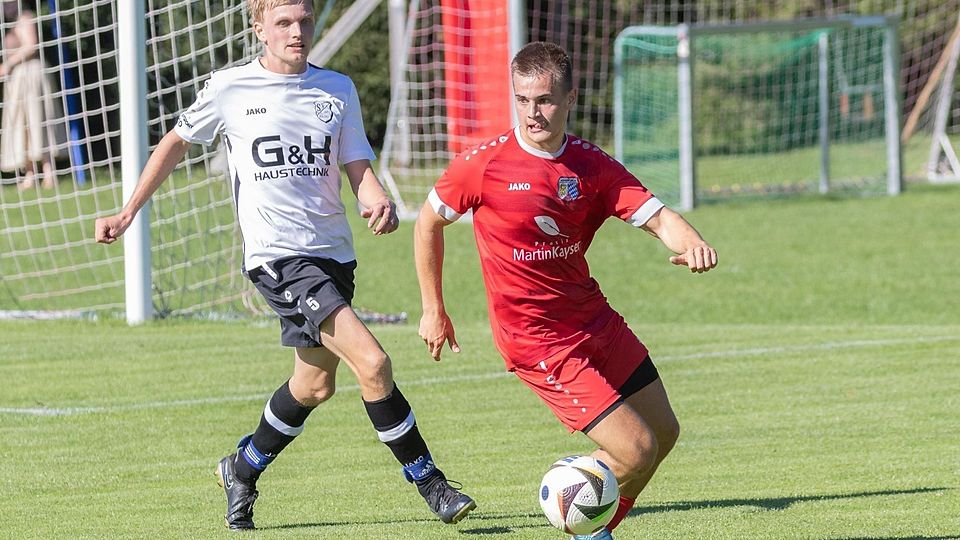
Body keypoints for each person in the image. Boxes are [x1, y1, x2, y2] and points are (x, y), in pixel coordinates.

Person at [94, 0, 475, 530]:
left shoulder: (336, 89)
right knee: (373, 363)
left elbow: (356, 165)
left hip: (333, 255)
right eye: (283, 23)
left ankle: (242, 467)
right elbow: (175, 142)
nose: (297, 32)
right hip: (278, 258)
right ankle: (430, 482)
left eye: (303, 21)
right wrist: (129, 210)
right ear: (259, 29)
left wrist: (376, 198)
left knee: (314, 386)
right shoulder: (230, 89)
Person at [413, 41, 718, 540]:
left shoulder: (590, 165)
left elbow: (656, 216)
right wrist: (433, 309)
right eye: (524, 99)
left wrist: (692, 241)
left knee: (664, 433)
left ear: (571, 98)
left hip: (594, 320)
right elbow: (428, 223)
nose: (533, 113)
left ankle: (596, 527)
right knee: (634, 450)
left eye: (546, 100)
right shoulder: (483, 166)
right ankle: (566, 492)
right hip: (538, 340)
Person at [0, 4, 65, 190]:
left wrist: (8, 64)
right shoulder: (11, 23)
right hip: (18, 80)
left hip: (31, 76)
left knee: (38, 122)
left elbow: (31, 45)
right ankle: (30, 174)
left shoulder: (25, 17)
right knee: (22, 125)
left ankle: (48, 172)